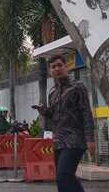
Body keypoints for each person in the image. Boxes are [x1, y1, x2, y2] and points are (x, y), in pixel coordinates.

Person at [33, 55, 95, 192]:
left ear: (66, 67)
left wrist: (90, 139)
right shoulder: (52, 92)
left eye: (59, 65)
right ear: (50, 71)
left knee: (64, 175)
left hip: (75, 140)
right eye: (53, 67)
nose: (57, 69)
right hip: (58, 141)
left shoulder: (77, 86)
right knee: (62, 180)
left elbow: (86, 113)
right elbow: (54, 116)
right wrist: (44, 111)